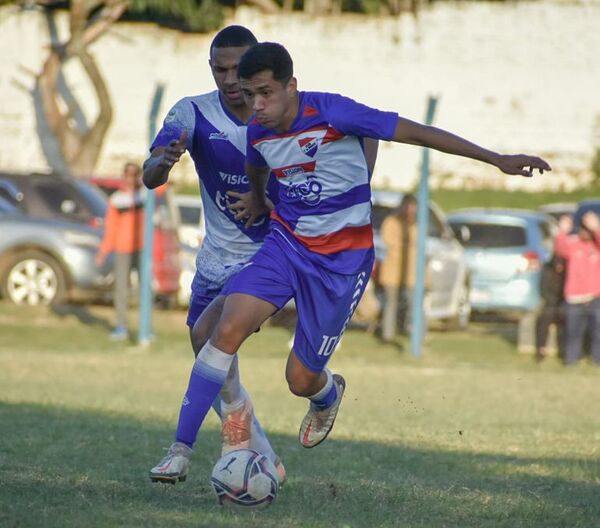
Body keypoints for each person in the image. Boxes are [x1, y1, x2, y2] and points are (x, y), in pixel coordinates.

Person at [153, 41, 550, 481]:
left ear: (292, 86)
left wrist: (496, 159)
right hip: (286, 246)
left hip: (340, 264)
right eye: (249, 96)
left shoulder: (333, 112)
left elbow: (415, 132)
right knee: (220, 329)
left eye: (265, 93)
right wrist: (262, 200)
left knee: (299, 379)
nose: (256, 106)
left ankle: (325, 394)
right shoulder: (260, 133)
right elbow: (257, 169)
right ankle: (180, 450)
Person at [142, 26, 286, 484]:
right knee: (208, 355)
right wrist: (163, 161)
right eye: (220, 69)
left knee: (215, 336)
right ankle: (263, 460)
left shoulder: (283, 115)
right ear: (211, 68)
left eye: (238, 68)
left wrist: (268, 200)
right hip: (213, 261)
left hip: (266, 259)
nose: (230, 78)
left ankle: (184, 449)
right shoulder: (193, 112)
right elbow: (150, 175)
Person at [96, 162, 145, 340]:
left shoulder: (144, 195)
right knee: (121, 289)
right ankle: (121, 327)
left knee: (144, 288)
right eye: (127, 175)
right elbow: (111, 228)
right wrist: (103, 251)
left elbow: (162, 186)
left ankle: (144, 328)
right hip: (123, 248)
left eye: (134, 175)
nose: (130, 179)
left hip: (141, 249)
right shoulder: (117, 200)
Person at [554, 211, 600, 365]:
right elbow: (560, 248)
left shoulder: (596, 246)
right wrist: (562, 231)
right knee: (573, 332)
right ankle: (571, 359)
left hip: (595, 297)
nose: (585, 233)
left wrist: (596, 228)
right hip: (575, 297)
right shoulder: (573, 245)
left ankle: (596, 360)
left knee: (597, 332)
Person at [379, 193, 419, 342]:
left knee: (414, 303)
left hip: (411, 272)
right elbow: (389, 241)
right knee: (391, 303)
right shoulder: (391, 222)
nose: (410, 211)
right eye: (408, 206)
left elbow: (419, 246)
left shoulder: (415, 225)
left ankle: (414, 333)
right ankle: (387, 335)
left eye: (413, 207)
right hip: (393, 271)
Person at [534, 255, 566, 362]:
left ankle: (564, 350)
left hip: (562, 304)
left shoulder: (566, 273)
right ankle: (541, 349)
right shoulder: (547, 271)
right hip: (550, 303)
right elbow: (543, 290)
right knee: (544, 319)